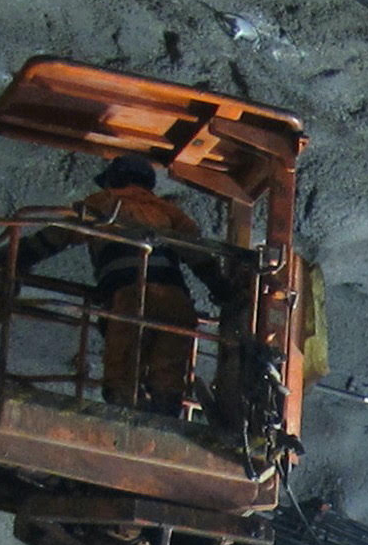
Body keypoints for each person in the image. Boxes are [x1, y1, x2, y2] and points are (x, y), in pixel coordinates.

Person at [16, 158, 221, 416]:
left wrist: (14, 258)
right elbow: (199, 255)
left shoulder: (104, 202)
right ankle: (167, 415)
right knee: (169, 363)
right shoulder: (170, 212)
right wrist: (223, 289)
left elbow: (57, 235)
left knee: (124, 363)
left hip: (128, 295)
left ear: (114, 179)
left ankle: (125, 413)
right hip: (175, 299)